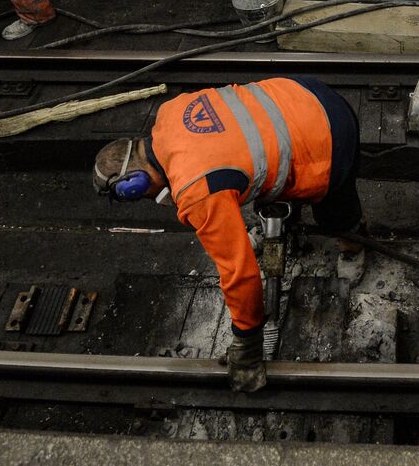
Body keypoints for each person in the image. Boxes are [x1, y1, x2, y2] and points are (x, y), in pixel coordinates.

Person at [92, 76, 363, 392]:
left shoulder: (195, 191)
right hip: (302, 92)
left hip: (330, 133)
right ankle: (290, 219)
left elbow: (240, 274)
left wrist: (247, 347)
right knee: (257, 168)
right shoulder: (170, 112)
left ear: (135, 184)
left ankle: (353, 245)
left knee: (333, 208)